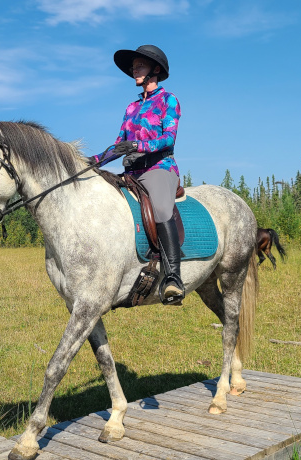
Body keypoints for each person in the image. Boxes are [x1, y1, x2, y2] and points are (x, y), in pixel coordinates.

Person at [90, 44, 184, 305]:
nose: (135, 70)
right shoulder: (131, 108)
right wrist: (93, 161)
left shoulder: (169, 100)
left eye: (140, 65)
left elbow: (168, 138)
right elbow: (120, 144)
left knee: (162, 209)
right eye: (133, 67)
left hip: (159, 168)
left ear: (155, 69)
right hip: (132, 171)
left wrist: (139, 145)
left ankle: (173, 278)